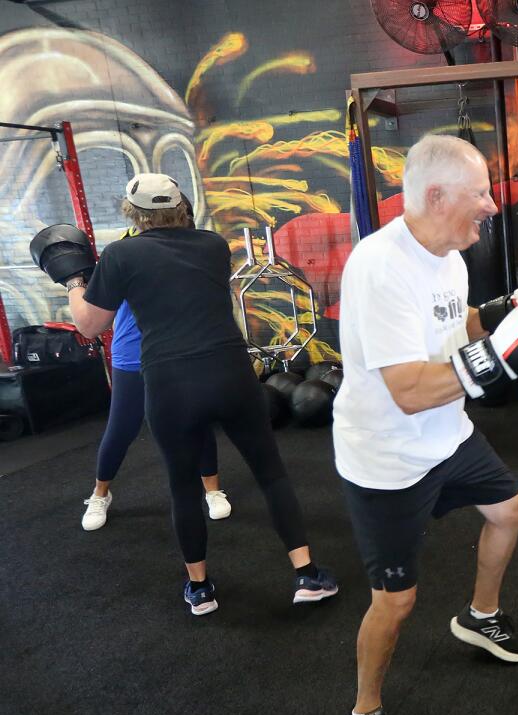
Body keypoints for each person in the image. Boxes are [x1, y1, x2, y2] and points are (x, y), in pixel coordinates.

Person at [334, 134, 518, 715]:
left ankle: (480, 615)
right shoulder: (378, 265)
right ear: (436, 196)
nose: (493, 206)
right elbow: (408, 388)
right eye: (481, 195)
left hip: (448, 435)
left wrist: (504, 313)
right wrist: (505, 354)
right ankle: (365, 713)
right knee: (396, 601)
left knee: (512, 509)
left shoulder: (448, 254)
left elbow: (452, 321)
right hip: (386, 456)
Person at [50, 172, 338, 615]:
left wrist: (73, 282)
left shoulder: (121, 254)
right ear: (182, 205)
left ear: (133, 213)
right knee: (271, 474)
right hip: (231, 374)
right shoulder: (213, 245)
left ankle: (200, 590)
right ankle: (307, 575)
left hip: (170, 384)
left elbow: (91, 325)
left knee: (182, 487)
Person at [81, 198, 231, 531]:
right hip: (133, 352)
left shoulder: (199, 247)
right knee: (122, 426)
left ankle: (213, 489)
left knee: (198, 420)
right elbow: (94, 318)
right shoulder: (123, 249)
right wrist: (75, 284)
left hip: (181, 349)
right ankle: (100, 493)